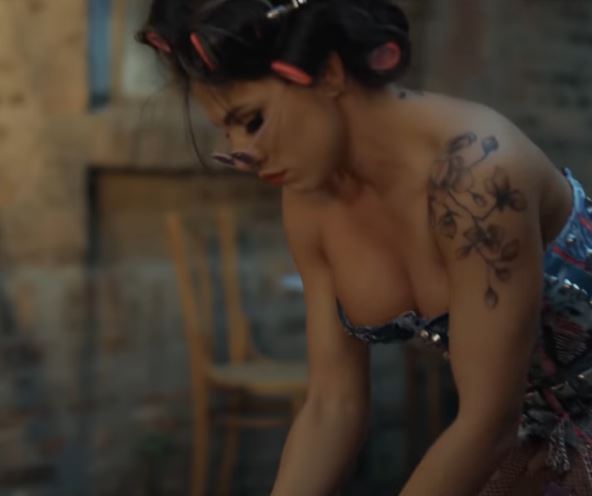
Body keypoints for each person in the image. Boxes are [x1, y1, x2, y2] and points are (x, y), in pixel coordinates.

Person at [137, 1, 592, 494]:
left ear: (329, 72)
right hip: (533, 442)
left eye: (252, 120)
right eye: (224, 130)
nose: (242, 152)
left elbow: (488, 423)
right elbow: (333, 405)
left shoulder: (479, 173)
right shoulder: (310, 196)